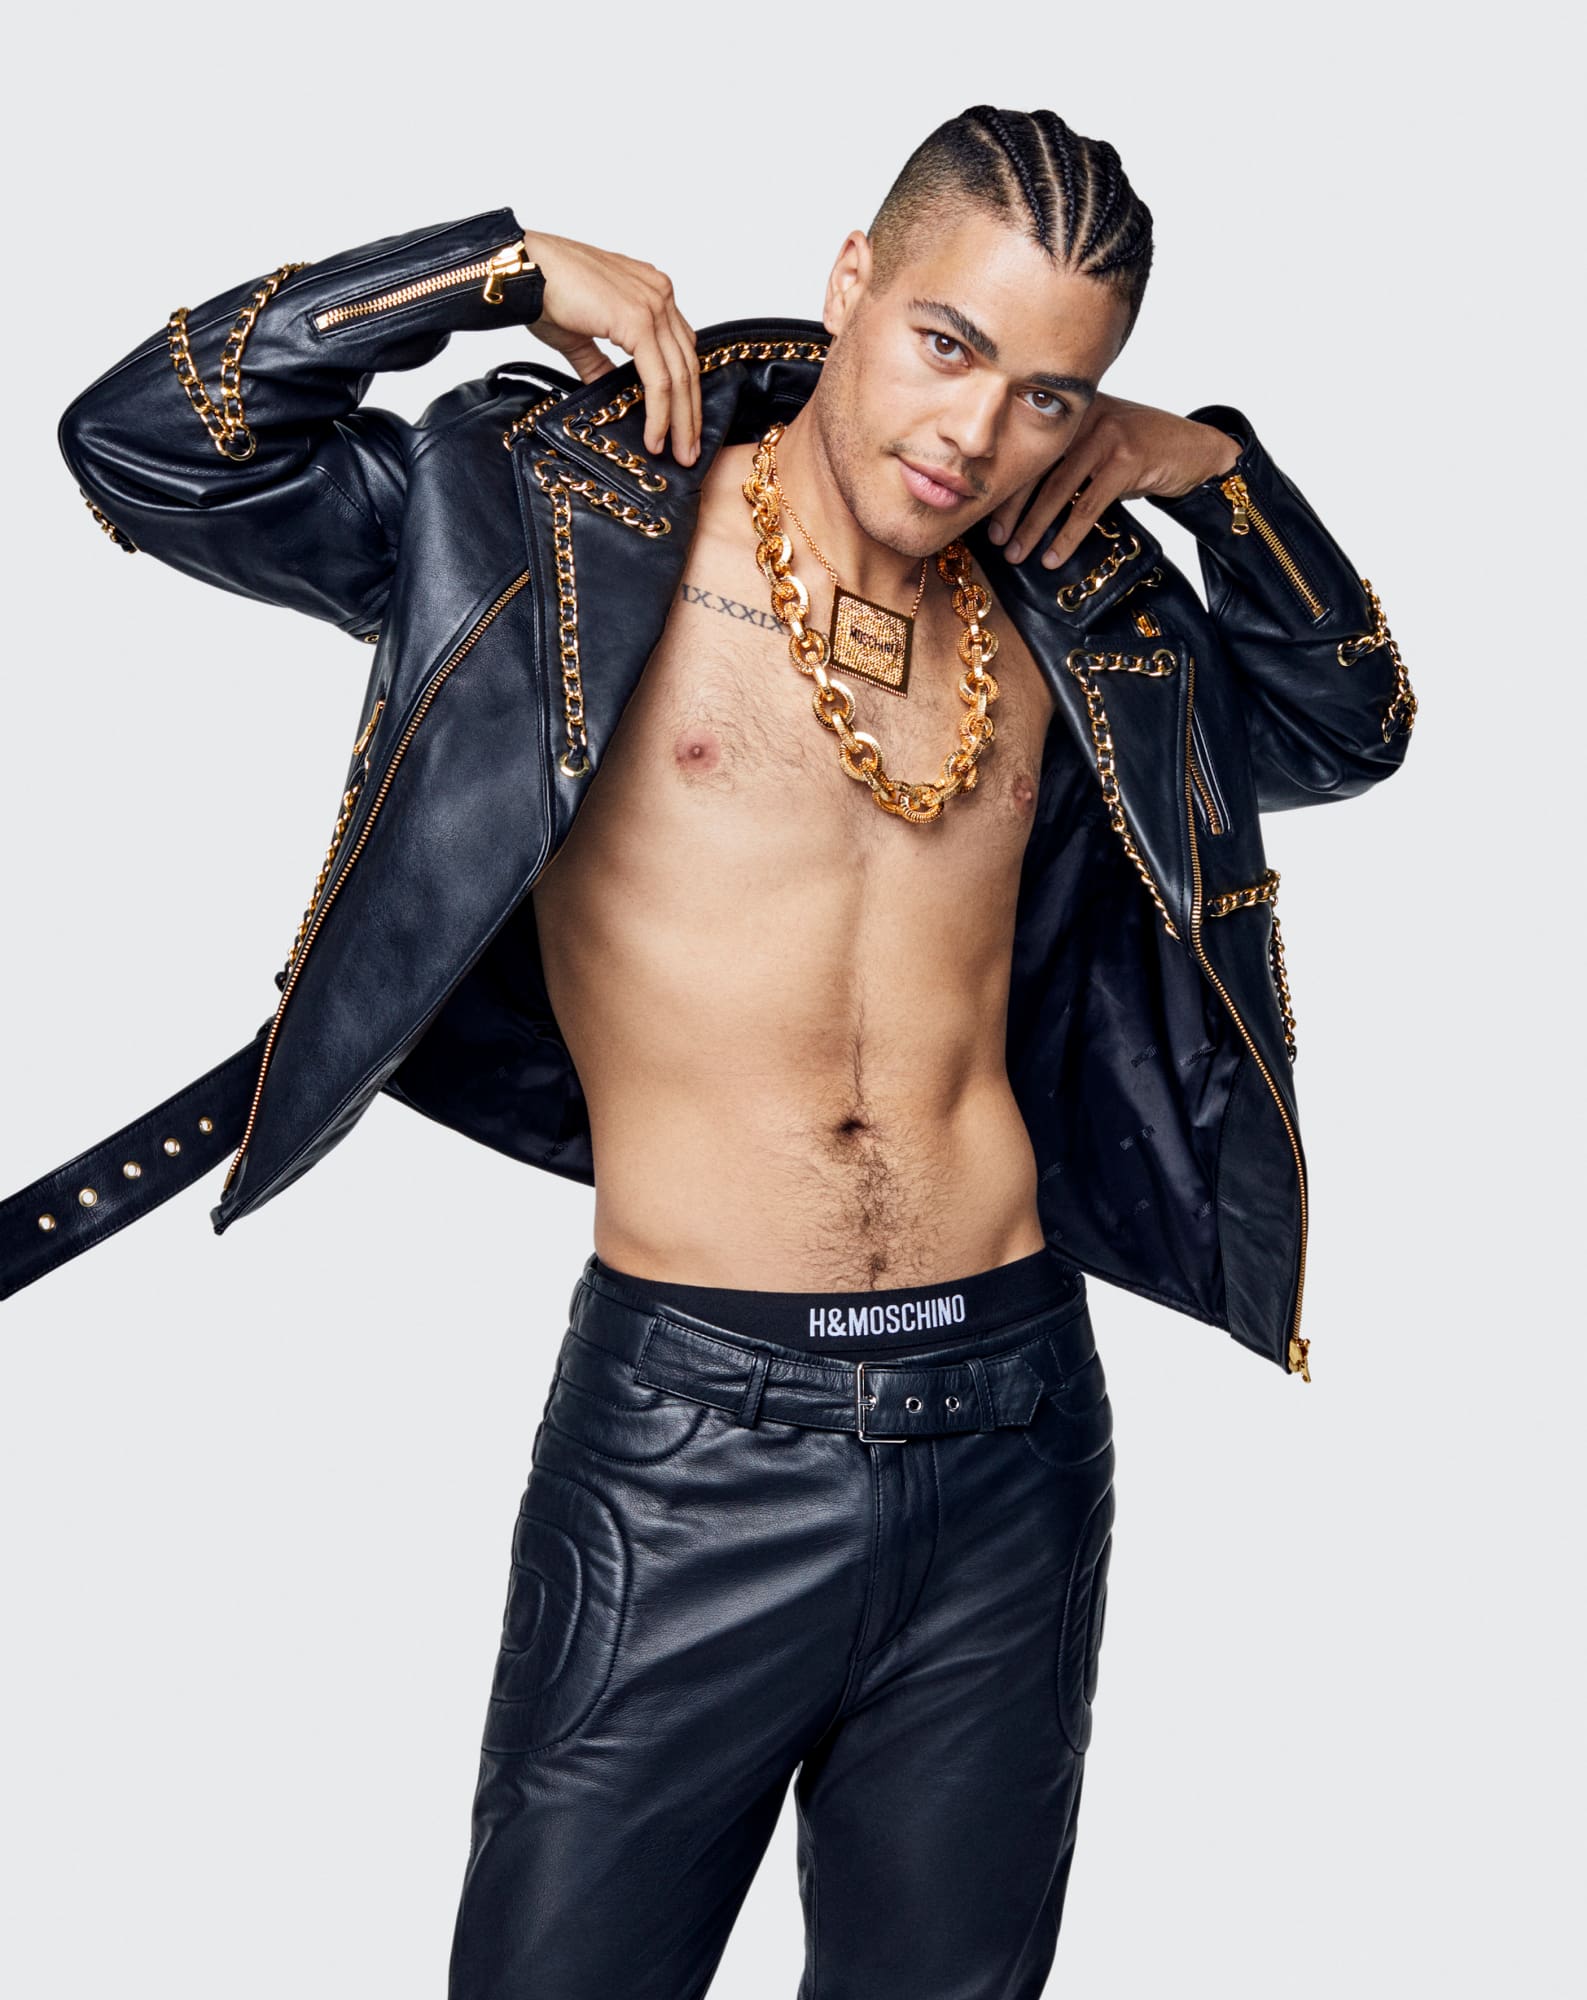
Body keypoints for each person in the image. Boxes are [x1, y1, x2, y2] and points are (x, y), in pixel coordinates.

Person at [3, 104, 1415, 1998]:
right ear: (852, 282)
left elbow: (1346, 727)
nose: (975, 434)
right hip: (691, 1442)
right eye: (947, 344)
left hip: (1015, 1426)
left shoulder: (1079, 614)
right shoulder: (559, 530)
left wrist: (1216, 473)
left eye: (1050, 397)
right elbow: (147, 445)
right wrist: (491, 271)